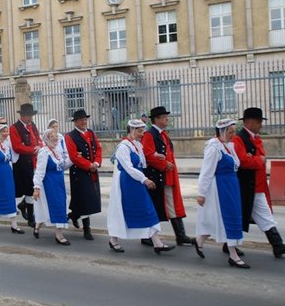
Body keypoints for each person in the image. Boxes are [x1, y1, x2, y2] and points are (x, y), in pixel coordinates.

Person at [233, 107, 285, 258]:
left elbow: (251, 158)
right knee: (241, 216)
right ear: (248, 122)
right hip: (247, 185)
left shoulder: (254, 138)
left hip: (257, 184)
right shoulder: (239, 138)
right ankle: (230, 245)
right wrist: (258, 160)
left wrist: (254, 158)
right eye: (258, 122)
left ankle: (277, 245)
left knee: (263, 215)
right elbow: (242, 160)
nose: (261, 125)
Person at [107, 119, 175, 254]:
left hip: (137, 182)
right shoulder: (123, 147)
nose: (142, 134)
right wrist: (145, 180)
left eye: (142, 131)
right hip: (129, 184)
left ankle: (157, 242)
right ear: (131, 131)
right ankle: (113, 240)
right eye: (139, 131)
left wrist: (157, 155)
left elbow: (143, 157)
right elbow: (128, 168)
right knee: (126, 211)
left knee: (147, 209)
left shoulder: (136, 145)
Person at [194, 119, 249, 268]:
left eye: (233, 132)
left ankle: (199, 240)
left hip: (231, 186)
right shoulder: (214, 148)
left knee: (220, 219)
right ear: (222, 132)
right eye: (230, 132)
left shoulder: (228, 146)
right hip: (221, 188)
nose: (233, 135)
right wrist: (202, 193)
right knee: (227, 219)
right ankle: (233, 255)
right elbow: (206, 171)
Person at [141, 106, 191, 246]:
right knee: (155, 206)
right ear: (156, 120)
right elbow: (148, 155)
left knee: (172, 204)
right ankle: (147, 236)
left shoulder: (163, 134)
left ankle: (180, 235)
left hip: (167, 175)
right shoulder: (149, 134)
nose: (167, 118)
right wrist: (163, 165)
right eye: (164, 117)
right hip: (157, 176)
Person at [65, 109, 102, 240]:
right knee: (85, 199)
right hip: (79, 172)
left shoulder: (91, 133)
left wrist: (96, 163)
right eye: (80, 120)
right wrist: (88, 165)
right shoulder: (70, 136)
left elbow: (98, 148)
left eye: (85, 119)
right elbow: (74, 156)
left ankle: (73, 215)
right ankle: (87, 229)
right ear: (75, 122)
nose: (83, 122)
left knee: (89, 198)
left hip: (92, 170)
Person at [33, 128, 73, 245]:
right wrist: (36, 188)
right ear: (46, 139)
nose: (55, 138)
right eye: (52, 137)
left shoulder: (57, 152)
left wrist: (74, 158)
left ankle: (38, 226)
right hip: (49, 184)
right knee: (53, 207)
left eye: (56, 136)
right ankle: (58, 235)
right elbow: (39, 171)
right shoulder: (44, 152)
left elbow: (62, 166)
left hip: (59, 183)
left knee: (60, 206)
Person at [10, 103, 43, 228]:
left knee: (33, 186)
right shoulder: (14, 128)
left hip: (35, 160)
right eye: (28, 116)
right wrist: (32, 149)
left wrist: (40, 146)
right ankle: (30, 217)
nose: (30, 118)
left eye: (31, 116)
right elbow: (17, 146)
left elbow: (38, 138)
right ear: (23, 116)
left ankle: (25, 207)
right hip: (22, 163)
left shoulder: (32, 125)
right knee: (29, 188)